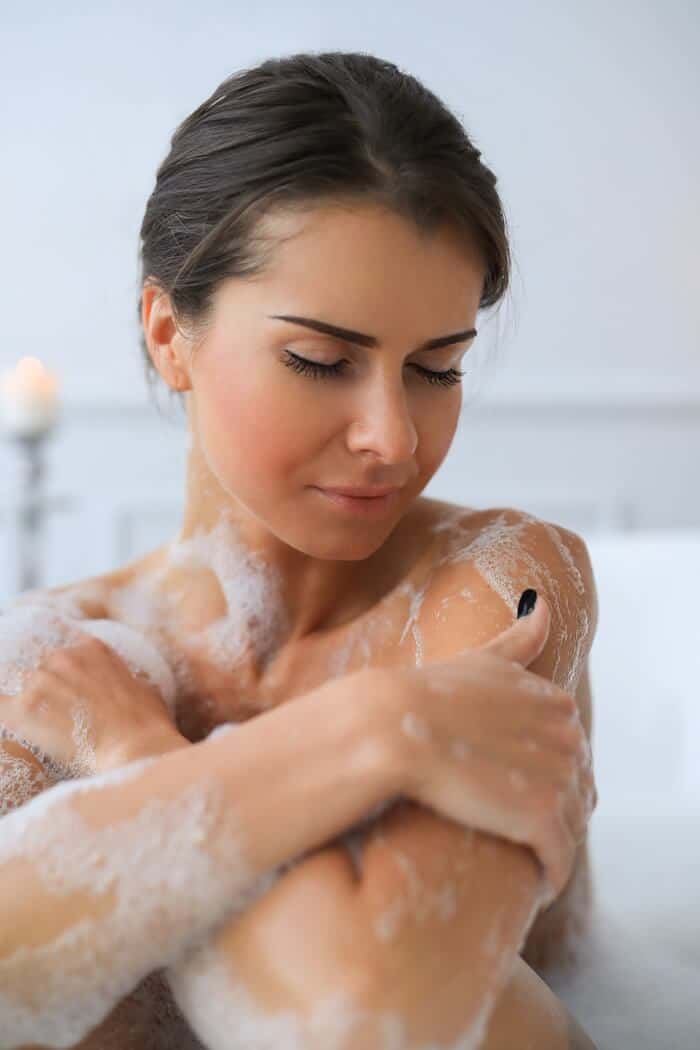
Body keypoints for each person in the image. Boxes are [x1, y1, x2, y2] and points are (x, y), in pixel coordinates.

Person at [0, 51, 598, 1048]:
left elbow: (375, 1017)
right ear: (166, 333)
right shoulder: (60, 662)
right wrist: (370, 732)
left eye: (437, 370)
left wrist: (137, 756)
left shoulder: (499, 586)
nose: (393, 437)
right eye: (321, 361)